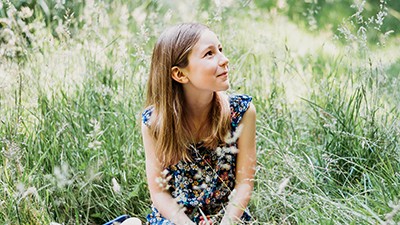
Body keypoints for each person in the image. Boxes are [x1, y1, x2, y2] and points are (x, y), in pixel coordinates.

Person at [141, 23, 256, 225]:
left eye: (220, 49)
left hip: (226, 216)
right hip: (177, 218)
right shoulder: (154, 123)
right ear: (180, 74)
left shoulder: (241, 112)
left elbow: (244, 184)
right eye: (209, 54)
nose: (224, 59)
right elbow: (159, 193)